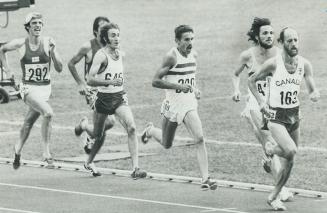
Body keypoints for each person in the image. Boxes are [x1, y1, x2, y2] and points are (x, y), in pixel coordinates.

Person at [249, 27, 320, 211]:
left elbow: (311, 86)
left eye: (296, 40)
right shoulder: (274, 64)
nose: (294, 44)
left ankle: (274, 196)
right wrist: (261, 102)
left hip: (294, 115)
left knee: (291, 160)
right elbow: (251, 81)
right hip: (275, 116)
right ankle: (270, 148)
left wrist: (314, 93)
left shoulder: (305, 64)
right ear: (281, 43)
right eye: (289, 41)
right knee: (291, 151)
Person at [141, 25, 217, 190]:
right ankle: (151, 131)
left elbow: (189, 77)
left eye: (192, 39)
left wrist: (194, 89)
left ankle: (205, 178)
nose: (190, 43)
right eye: (186, 40)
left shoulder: (194, 55)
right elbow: (155, 81)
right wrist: (178, 86)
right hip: (173, 105)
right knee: (167, 144)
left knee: (200, 138)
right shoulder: (171, 57)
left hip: (189, 104)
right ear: (177, 41)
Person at [232, 17, 293, 202]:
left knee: (276, 145)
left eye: (271, 33)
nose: (269, 36)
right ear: (257, 36)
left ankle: (268, 161)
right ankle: (279, 191)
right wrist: (236, 90)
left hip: (276, 105)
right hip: (256, 105)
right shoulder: (247, 55)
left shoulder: (279, 54)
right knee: (268, 141)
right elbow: (236, 74)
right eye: (265, 33)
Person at [0, 12, 63, 169]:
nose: (37, 26)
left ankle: (17, 150)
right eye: (34, 23)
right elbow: (1, 49)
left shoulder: (48, 42)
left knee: (28, 123)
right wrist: (7, 70)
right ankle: (46, 153)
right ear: (27, 27)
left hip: (45, 89)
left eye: (40, 23)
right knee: (48, 113)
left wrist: (54, 52)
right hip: (28, 88)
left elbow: (60, 68)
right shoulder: (20, 43)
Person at [85, 22, 147, 179]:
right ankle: (85, 128)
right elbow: (90, 79)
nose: (117, 38)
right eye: (113, 35)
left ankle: (136, 168)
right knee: (97, 135)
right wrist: (109, 82)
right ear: (106, 38)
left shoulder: (121, 54)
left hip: (119, 97)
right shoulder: (101, 55)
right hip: (103, 99)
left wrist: (114, 83)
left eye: (118, 35)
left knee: (132, 127)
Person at [68, 16, 115, 154]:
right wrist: (80, 84)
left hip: (108, 89)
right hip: (93, 90)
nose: (106, 30)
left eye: (108, 26)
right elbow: (71, 63)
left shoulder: (111, 46)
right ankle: (86, 129)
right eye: (102, 28)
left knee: (101, 126)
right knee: (110, 122)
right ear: (95, 31)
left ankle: (86, 130)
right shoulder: (88, 46)